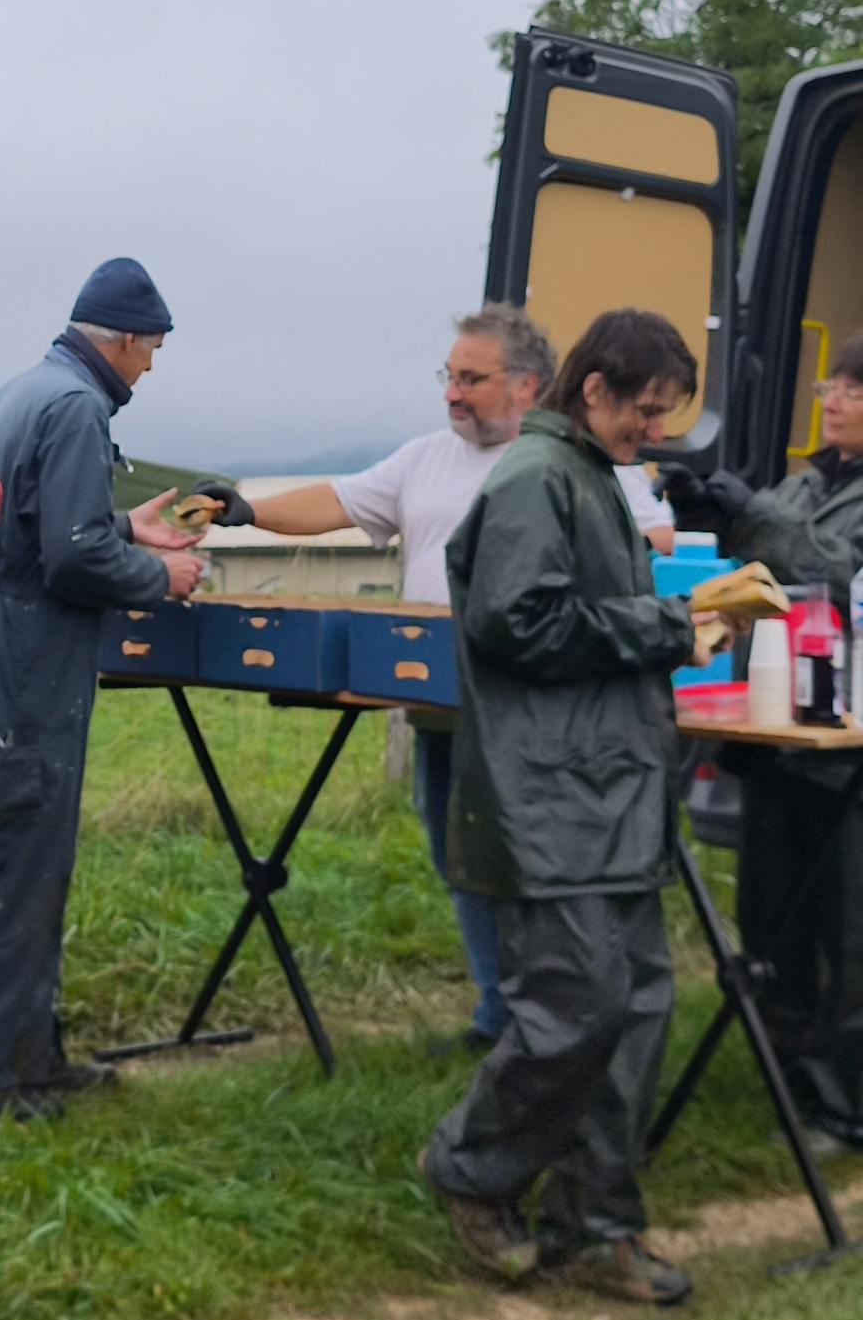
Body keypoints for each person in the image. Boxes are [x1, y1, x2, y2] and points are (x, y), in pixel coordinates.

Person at [419, 308, 725, 1303]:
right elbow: (518, 622)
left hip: (609, 795)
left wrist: (673, 629)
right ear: (592, 391)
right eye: (644, 409)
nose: (655, 430)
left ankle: (597, 1225)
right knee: (571, 1014)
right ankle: (469, 1170)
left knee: (635, 1011)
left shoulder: (593, 477)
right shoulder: (536, 480)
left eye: (665, 414)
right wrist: (662, 627)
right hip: (549, 802)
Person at [240, 303, 603, 1049]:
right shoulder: (424, 458)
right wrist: (243, 509)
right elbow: (337, 501)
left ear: (528, 386)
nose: (452, 393)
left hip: (525, 706)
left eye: (471, 378)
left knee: (524, 858)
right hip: (436, 697)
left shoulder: (567, 459)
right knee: (454, 852)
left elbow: (647, 529)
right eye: (450, 376)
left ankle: (543, 1010)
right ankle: (497, 1011)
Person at [0, 259, 210, 1115]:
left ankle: (31, 1063)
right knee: (12, 874)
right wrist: (167, 577)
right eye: (151, 349)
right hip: (24, 667)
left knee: (31, 867)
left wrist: (130, 525)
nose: (150, 367)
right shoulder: (79, 407)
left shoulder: (27, 390)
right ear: (121, 338)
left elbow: (39, 520)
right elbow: (72, 556)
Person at [667, 324, 863, 1157]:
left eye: (858, 391)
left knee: (850, 930)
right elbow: (759, 583)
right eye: (832, 386)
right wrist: (703, 518)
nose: (834, 400)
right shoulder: (804, 486)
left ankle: (846, 1109)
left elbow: (856, 580)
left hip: (862, 741)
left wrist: (754, 515)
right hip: (779, 730)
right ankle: (786, 1077)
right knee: (772, 916)